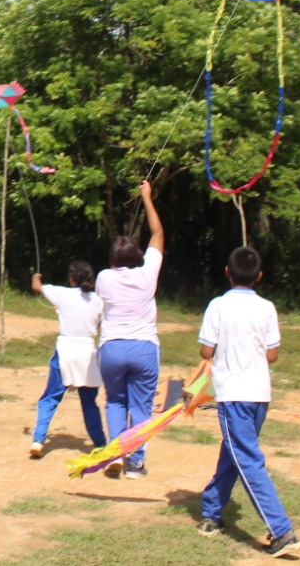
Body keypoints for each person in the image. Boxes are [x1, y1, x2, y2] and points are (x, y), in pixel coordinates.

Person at [196, 246, 300, 558]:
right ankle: (212, 512)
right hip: (259, 396)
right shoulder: (267, 307)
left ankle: (282, 530)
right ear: (259, 276)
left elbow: (206, 351)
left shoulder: (217, 305)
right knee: (235, 453)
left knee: (246, 459)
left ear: (227, 273)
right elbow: (272, 354)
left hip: (234, 395)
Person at [95, 180, 164, 479]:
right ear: (138, 256)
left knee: (114, 400)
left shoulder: (103, 278)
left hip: (112, 348)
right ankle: (135, 463)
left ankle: (115, 452)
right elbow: (158, 233)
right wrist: (147, 197)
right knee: (141, 407)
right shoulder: (148, 272)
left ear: (113, 259)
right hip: (144, 348)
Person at [28, 260, 106, 458]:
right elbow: (98, 325)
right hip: (87, 352)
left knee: (50, 398)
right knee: (89, 402)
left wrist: (36, 277)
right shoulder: (98, 300)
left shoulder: (62, 294)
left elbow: (36, 287)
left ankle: (38, 440)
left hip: (65, 350)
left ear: (71, 279)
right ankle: (99, 444)